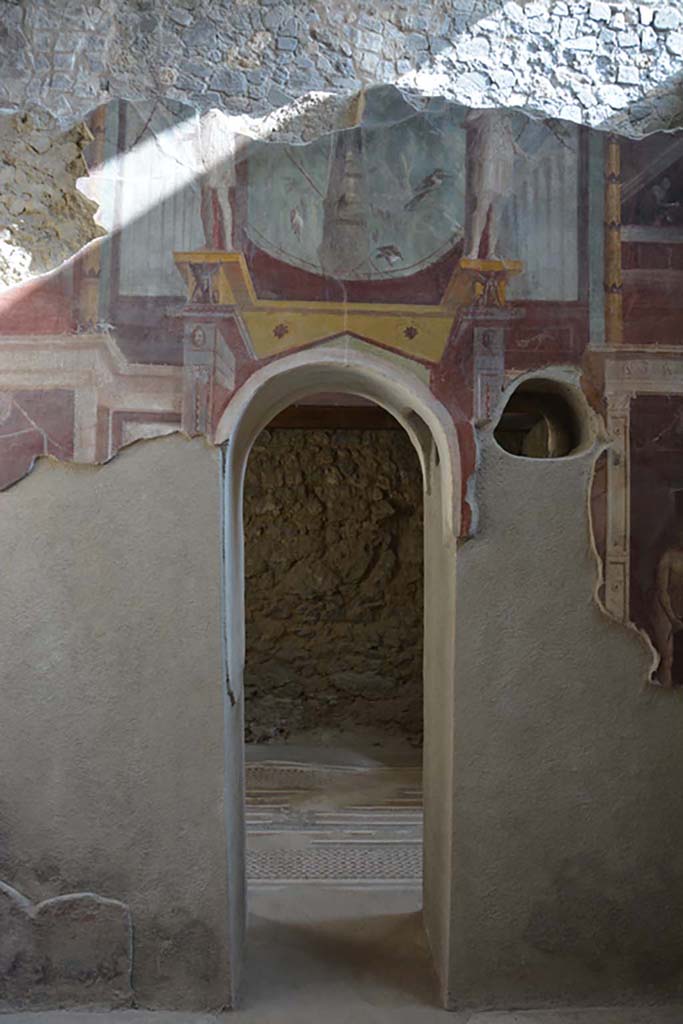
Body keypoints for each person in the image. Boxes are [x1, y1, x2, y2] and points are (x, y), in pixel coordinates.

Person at [464, 109, 517, 260]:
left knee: (497, 211)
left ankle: (491, 252)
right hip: (487, 157)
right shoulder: (484, 109)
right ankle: (474, 250)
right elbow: (468, 121)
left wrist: (524, 154)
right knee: (482, 206)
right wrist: (484, 121)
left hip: (504, 159)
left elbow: (511, 139)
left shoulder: (505, 115)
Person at [651, 517, 683, 687]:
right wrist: (672, 618)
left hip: (679, 611)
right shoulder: (668, 557)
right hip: (663, 610)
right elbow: (662, 591)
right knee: (667, 657)